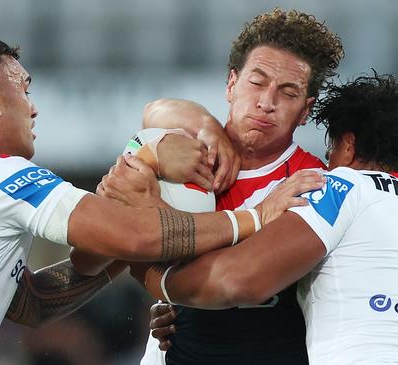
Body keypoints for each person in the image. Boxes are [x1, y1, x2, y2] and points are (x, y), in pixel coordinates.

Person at [0, 1, 307, 364]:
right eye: (23, 89)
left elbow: (32, 306)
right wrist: (256, 216)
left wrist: (119, 232)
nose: (33, 108)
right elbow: (138, 234)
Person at [121, 73, 398, 364]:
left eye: (330, 150)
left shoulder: (342, 185)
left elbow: (239, 281)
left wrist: (159, 278)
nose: (326, 162)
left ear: (347, 146)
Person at [124, 9, 343, 364]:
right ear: (231, 84)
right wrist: (206, 125)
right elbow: (155, 111)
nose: (266, 103)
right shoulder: (188, 150)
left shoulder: (313, 181)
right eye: (257, 82)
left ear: (306, 110)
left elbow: (236, 279)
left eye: (288, 92)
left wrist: (170, 287)